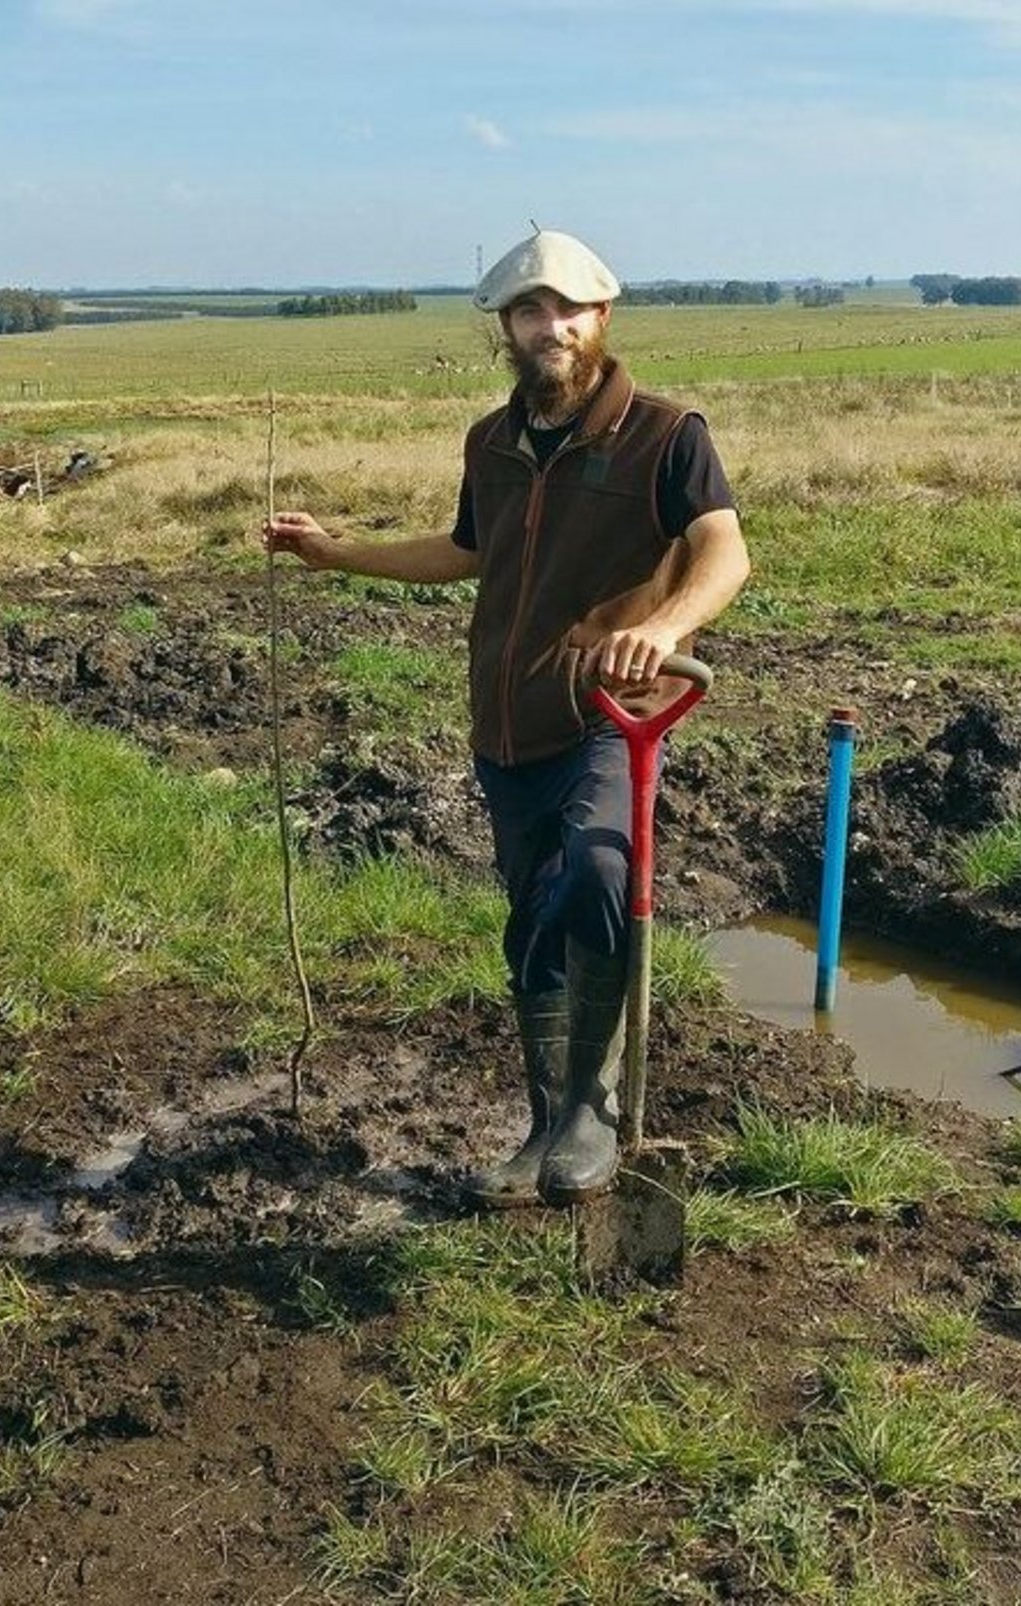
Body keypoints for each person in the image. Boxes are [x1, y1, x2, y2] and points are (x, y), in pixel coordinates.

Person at [264, 228, 749, 1208]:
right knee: (530, 916)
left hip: (611, 713)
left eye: (568, 310)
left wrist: (660, 626)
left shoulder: (664, 433)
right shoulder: (489, 441)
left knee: (597, 868)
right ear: (505, 327)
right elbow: (464, 551)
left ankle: (590, 1110)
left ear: (599, 319)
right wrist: (334, 554)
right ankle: (542, 1124)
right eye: (530, 311)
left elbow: (723, 553)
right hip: (507, 722)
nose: (550, 327)